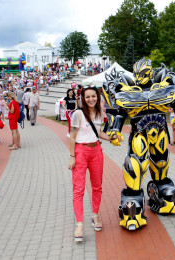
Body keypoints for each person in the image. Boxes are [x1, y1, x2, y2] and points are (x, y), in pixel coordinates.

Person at [68, 86, 112, 242]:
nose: (91, 99)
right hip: (80, 152)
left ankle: (95, 215)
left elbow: (98, 132)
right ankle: (79, 225)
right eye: (88, 97)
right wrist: (72, 156)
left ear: (97, 97)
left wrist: (111, 138)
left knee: (97, 187)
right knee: (78, 189)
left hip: (96, 152)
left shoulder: (100, 113)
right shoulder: (78, 114)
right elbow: (72, 137)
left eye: (94, 96)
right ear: (83, 98)